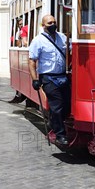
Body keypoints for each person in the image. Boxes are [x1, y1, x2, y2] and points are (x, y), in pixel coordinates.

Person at [28, 14, 71, 146]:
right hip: (48, 78)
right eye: (49, 23)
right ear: (43, 26)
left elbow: (71, 51)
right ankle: (60, 135)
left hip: (62, 76)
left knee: (67, 105)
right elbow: (32, 61)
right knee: (56, 105)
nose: (53, 25)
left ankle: (54, 121)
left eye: (54, 22)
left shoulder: (62, 37)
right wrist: (35, 79)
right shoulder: (38, 41)